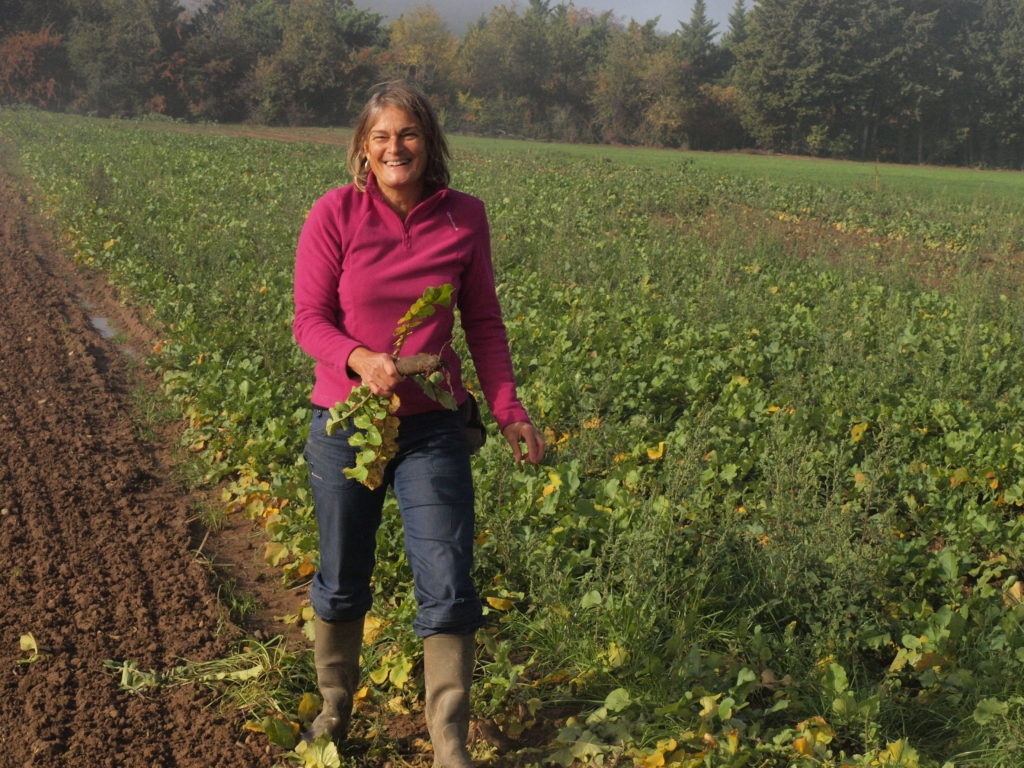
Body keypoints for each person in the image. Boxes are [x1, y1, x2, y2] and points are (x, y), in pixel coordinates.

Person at [292, 81, 544, 767]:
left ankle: (448, 744)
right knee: (343, 576)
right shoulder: (335, 214)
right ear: (362, 149)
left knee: (448, 576)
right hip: (346, 423)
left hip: (432, 428)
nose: (394, 147)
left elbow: (483, 323)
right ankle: (335, 710)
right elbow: (308, 321)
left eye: (407, 134)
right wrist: (359, 358)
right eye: (381, 137)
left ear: (428, 142)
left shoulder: (465, 217)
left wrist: (508, 408)